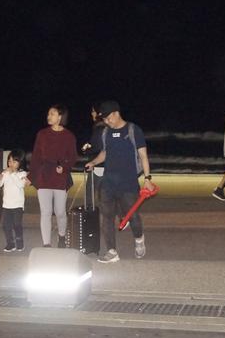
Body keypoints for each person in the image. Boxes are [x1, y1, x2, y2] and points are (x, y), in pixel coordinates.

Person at [83, 101, 154, 264]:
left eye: (108, 118)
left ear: (116, 113)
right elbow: (104, 153)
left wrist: (148, 179)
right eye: (104, 119)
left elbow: (143, 156)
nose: (106, 122)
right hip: (108, 182)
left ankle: (139, 239)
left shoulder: (133, 130)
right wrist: (93, 162)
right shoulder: (105, 132)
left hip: (128, 183)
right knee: (107, 216)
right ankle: (111, 251)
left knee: (133, 216)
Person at [31, 104, 76, 248]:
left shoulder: (69, 136)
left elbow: (73, 157)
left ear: (60, 117)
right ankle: (46, 244)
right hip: (44, 176)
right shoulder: (42, 134)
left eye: (52, 114)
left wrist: (64, 168)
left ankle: (62, 236)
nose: (48, 116)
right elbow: (36, 157)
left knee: (60, 212)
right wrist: (31, 176)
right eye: (48, 114)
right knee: (45, 212)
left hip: (59, 177)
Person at [0, 149, 28, 252]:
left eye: (14, 161)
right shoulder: (5, 173)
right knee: (6, 225)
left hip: (17, 205)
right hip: (6, 205)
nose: (11, 164)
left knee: (17, 224)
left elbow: (20, 184)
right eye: (9, 161)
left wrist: (12, 174)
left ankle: (19, 242)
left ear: (20, 162)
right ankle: (10, 243)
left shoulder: (22, 174)